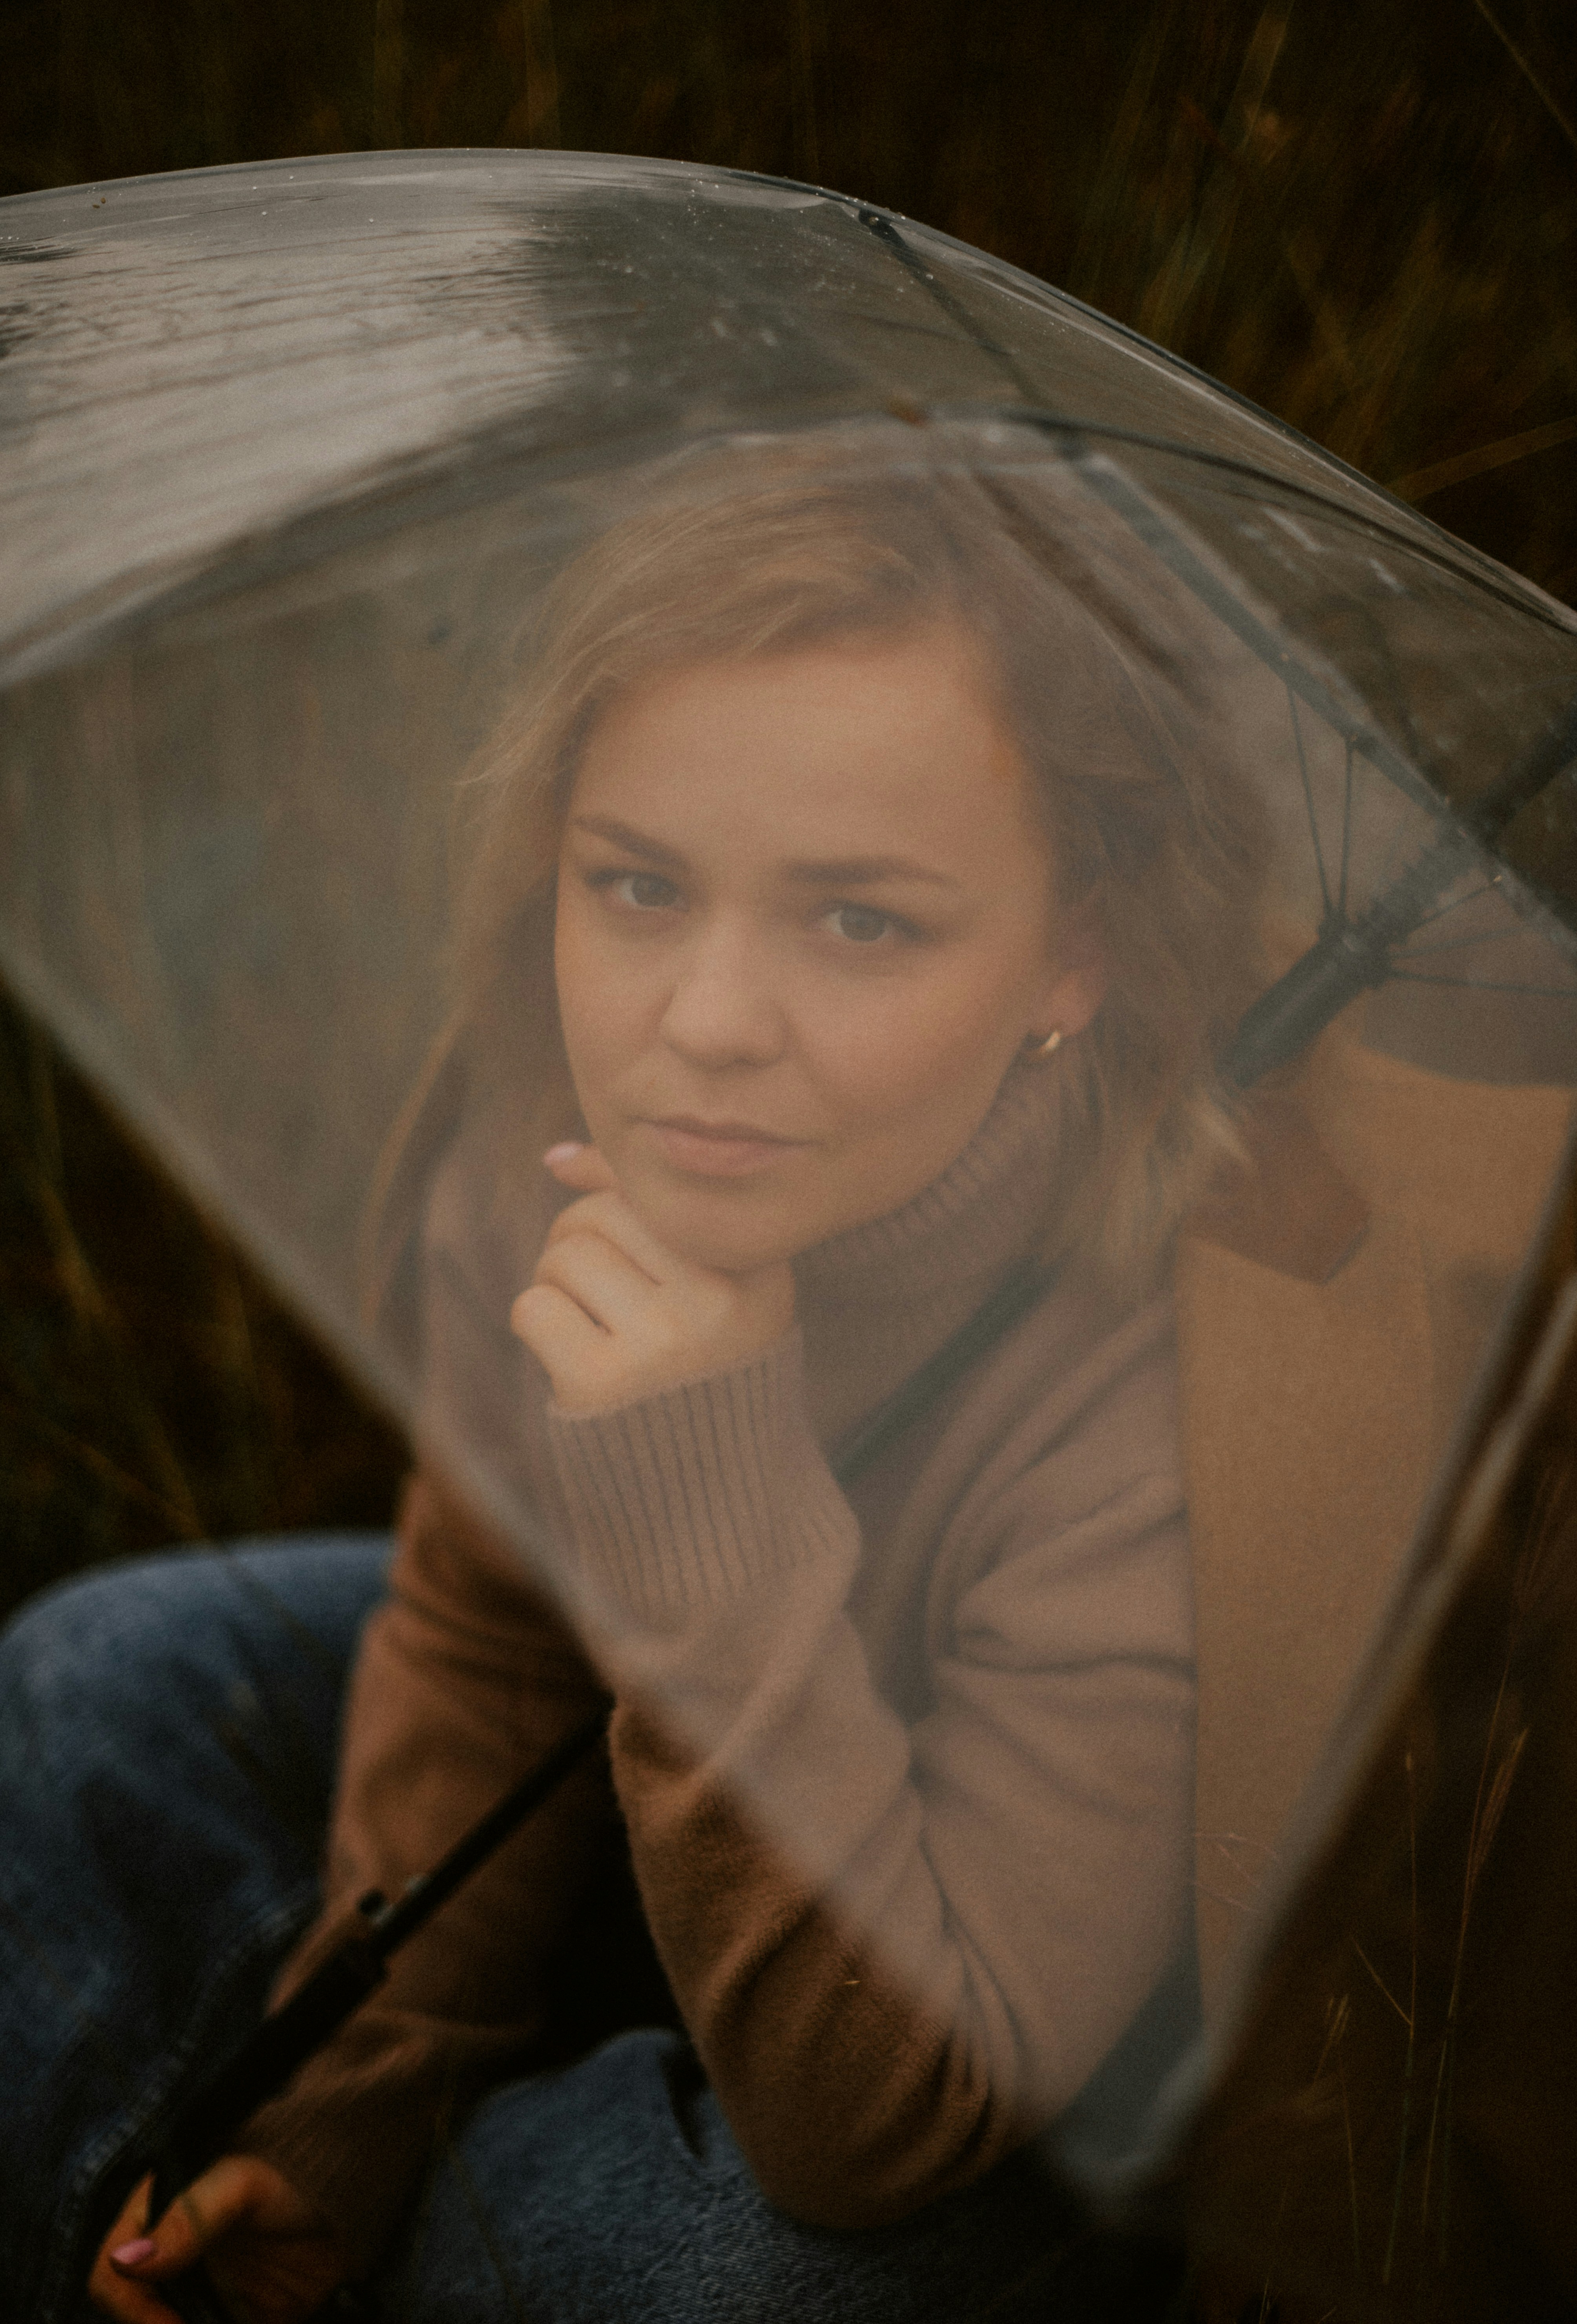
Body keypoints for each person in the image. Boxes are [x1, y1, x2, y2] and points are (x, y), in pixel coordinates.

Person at [1, 442, 1270, 2323]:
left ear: (1067, 960)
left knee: (691, 2261)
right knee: (96, 1684)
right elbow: (492, 1623)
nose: (701, 1024)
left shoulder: (1165, 1396)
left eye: (860, 920)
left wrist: (706, 1489)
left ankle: (493, 2210)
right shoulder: (544, 1120)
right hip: (679, 1805)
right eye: (638, 884)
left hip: (980, 2047)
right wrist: (353, 2107)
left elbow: (883, 2117)